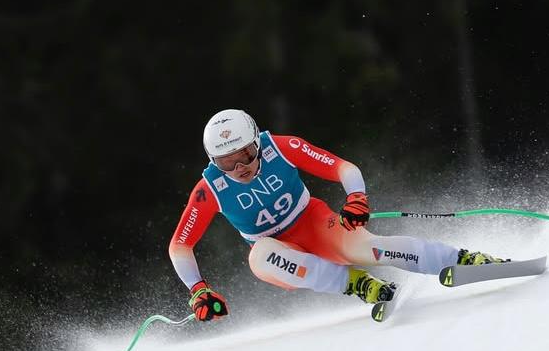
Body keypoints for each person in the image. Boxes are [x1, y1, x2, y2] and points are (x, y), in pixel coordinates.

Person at [169, 109, 507, 321]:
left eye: (244, 155)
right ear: (213, 162)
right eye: (226, 162)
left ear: (256, 143)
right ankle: (359, 284)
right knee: (260, 257)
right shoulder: (209, 189)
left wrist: (356, 197)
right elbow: (180, 246)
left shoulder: (280, 148)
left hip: (316, 224)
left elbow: (343, 168)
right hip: (280, 252)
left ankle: (463, 259)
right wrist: (198, 289)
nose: (239, 168)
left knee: (372, 249)